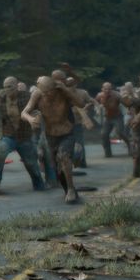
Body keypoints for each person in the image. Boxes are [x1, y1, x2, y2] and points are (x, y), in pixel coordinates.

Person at [0, 76, 46, 194]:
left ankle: (39, 185)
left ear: (16, 86)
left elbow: (40, 106)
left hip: (24, 136)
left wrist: (37, 118)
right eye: (5, 87)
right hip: (8, 135)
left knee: (31, 163)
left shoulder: (26, 97)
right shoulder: (1, 96)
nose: (7, 89)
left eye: (10, 86)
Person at [22, 75, 89, 203]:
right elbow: (24, 113)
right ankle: (68, 189)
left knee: (63, 157)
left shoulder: (62, 92)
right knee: (56, 168)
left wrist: (66, 89)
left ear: (54, 88)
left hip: (66, 132)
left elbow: (81, 103)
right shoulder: (37, 95)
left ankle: (71, 188)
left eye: (50, 91)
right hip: (50, 135)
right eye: (45, 92)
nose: (48, 94)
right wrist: (30, 119)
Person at [95, 81, 132, 158]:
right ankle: (108, 152)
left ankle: (129, 144)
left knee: (120, 132)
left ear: (111, 89)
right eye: (105, 89)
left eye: (109, 89)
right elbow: (94, 102)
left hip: (117, 117)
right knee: (104, 134)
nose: (107, 91)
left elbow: (127, 104)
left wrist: (127, 101)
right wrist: (97, 108)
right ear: (102, 89)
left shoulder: (117, 95)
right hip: (108, 118)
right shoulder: (100, 95)